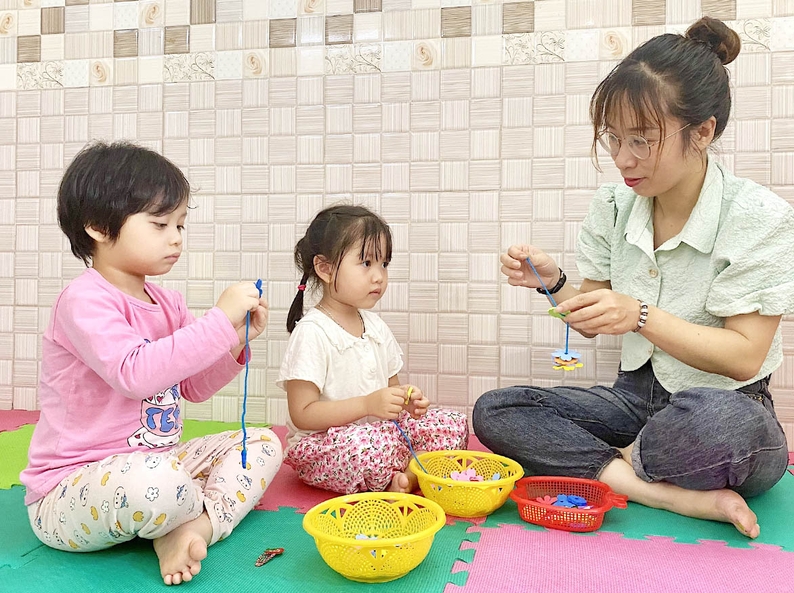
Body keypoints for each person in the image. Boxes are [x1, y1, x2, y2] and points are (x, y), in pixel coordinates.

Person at [472, 17, 794, 539]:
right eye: (613, 138)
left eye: (642, 140)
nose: (622, 159)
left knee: (724, 425)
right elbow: (591, 319)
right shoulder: (613, 207)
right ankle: (658, 490)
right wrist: (556, 281)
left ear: (703, 131)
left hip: (726, 404)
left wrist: (640, 314)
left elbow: (744, 355)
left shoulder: (758, 217)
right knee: (497, 409)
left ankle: (616, 468)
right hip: (633, 399)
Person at [20, 141, 283, 586]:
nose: (176, 237)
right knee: (157, 480)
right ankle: (175, 514)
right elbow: (136, 373)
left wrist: (236, 341)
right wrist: (218, 321)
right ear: (98, 227)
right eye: (160, 223)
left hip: (158, 465)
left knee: (262, 443)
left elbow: (191, 386)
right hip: (70, 488)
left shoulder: (167, 302)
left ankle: (192, 527)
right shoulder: (84, 300)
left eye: (180, 223)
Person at [279, 204, 469, 494]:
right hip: (327, 445)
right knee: (368, 449)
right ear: (325, 268)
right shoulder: (312, 332)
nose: (379, 276)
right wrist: (367, 405)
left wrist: (406, 401)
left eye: (384, 264)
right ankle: (411, 473)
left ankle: (407, 478)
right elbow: (302, 414)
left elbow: (391, 392)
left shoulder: (376, 326)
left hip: (381, 433)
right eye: (366, 263)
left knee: (451, 424)